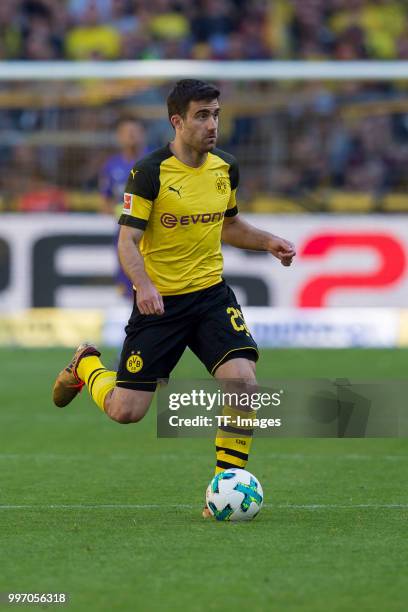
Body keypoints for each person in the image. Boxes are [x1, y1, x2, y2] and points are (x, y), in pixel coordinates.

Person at [52, 79, 296, 517]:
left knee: (243, 385)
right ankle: (85, 363)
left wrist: (268, 241)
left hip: (210, 297)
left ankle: (224, 490)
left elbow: (229, 225)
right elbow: (127, 240)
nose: (212, 124)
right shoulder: (149, 172)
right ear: (177, 121)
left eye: (216, 114)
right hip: (160, 305)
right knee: (126, 412)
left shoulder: (226, 167)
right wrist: (143, 285)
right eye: (202, 116)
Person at [99, 115, 147, 298]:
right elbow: (104, 202)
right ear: (119, 136)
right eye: (127, 132)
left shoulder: (157, 162)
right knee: (127, 283)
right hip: (124, 232)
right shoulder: (111, 166)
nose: (131, 136)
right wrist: (123, 213)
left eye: (135, 132)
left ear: (143, 134)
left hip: (152, 232)